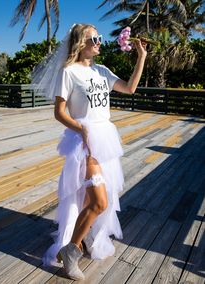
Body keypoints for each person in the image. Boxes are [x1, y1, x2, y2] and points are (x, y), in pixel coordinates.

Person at [37, 23, 147, 280]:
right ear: (80, 43)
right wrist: (81, 130)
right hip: (84, 142)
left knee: (94, 200)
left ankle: (81, 240)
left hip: (105, 139)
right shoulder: (69, 72)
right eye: (93, 38)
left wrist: (141, 57)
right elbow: (59, 112)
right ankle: (70, 252)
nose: (99, 41)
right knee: (99, 201)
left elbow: (130, 88)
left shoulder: (102, 71)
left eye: (99, 37)